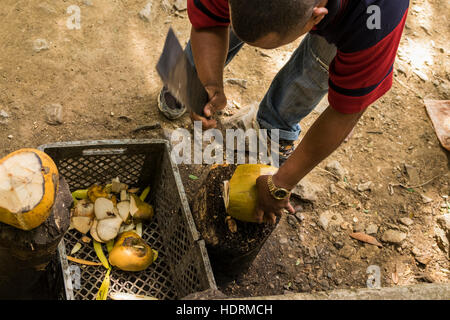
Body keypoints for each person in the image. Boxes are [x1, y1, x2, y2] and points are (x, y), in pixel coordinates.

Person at [158, 0, 410, 224]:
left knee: (324, 57)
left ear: (317, 16)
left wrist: (283, 183)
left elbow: (345, 110)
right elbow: (209, 21)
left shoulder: (376, 18)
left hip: (348, 16)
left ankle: (275, 127)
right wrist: (208, 82)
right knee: (243, 22)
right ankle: (186, 78)